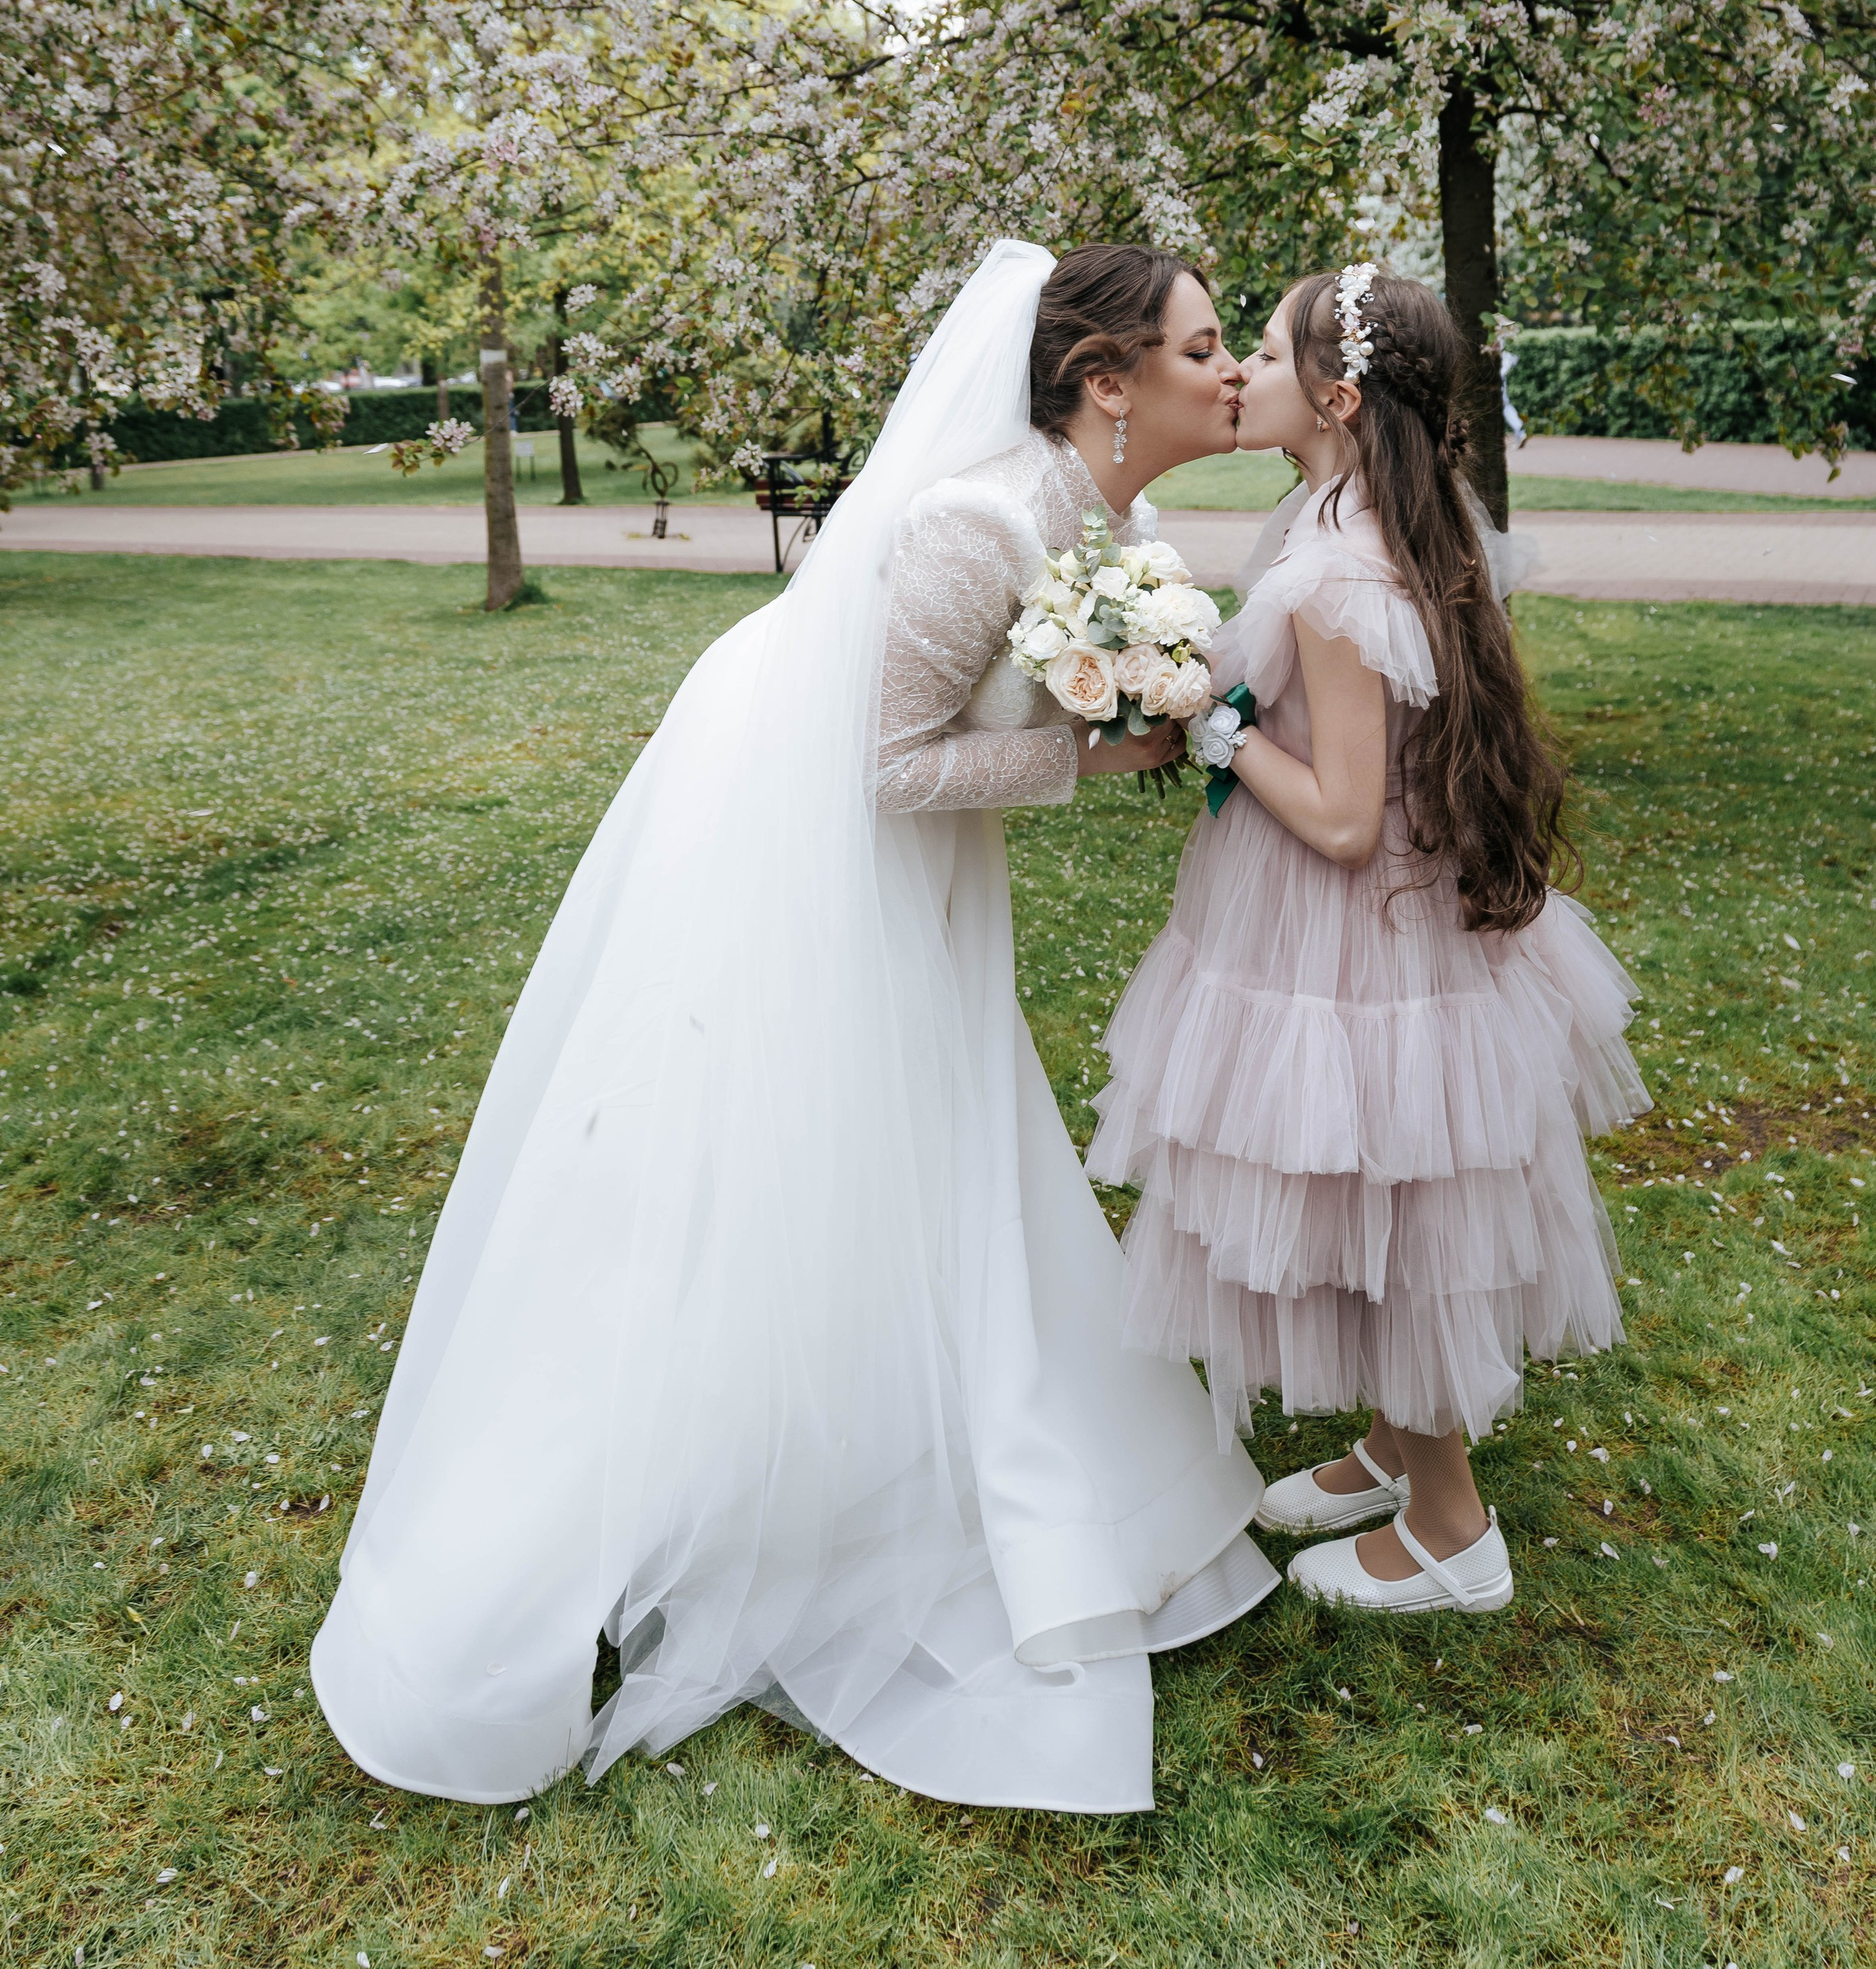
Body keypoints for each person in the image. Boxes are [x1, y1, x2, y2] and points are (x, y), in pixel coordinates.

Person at [311, 240, 1278, 1815]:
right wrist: (1102, 760)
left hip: (910, 876)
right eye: (1204, 345)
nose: (1230, 370)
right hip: (799, 860)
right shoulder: (981, 523)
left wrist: (1135, 709)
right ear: (1106, 383)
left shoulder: (1114, 525)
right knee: (775, 1159)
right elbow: (887, 766)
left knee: (934, 1147)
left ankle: (918, 1443)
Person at [1089, 264, 1649, 1615]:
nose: (1240, 374)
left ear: (1336, 399)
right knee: (1375, 1193)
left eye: (1264, 354)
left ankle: (1453, 1532)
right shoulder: (1360, 518)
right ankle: (1397, 1448)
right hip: (1383, 918)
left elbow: (1344, 819)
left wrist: (1210, 721)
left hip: (1359, 931)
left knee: (1390, 1201)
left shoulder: (1341, 573)